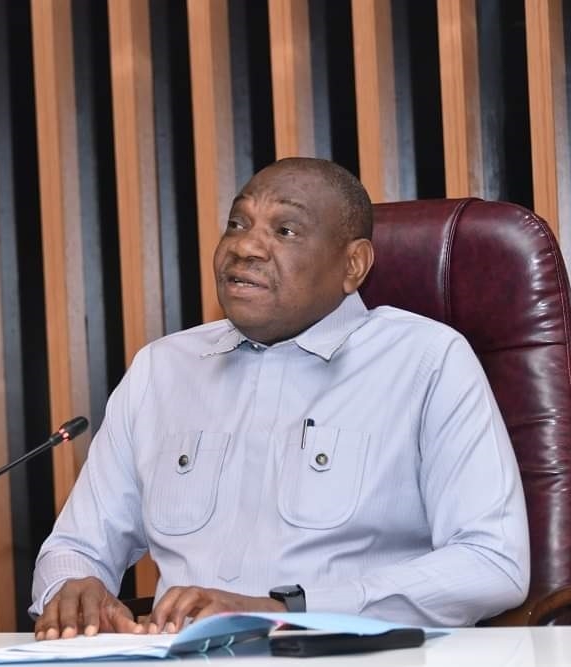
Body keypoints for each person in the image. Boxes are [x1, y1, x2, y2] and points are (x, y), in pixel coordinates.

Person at [30, 157, 530, 640]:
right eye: (236, 223)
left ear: (352, 264)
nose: (245, 247)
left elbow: (492, 562)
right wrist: (76, 587)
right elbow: (76, 547)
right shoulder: (162, 370)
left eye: (284, 230)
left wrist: (289, 610)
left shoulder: (426, 360)